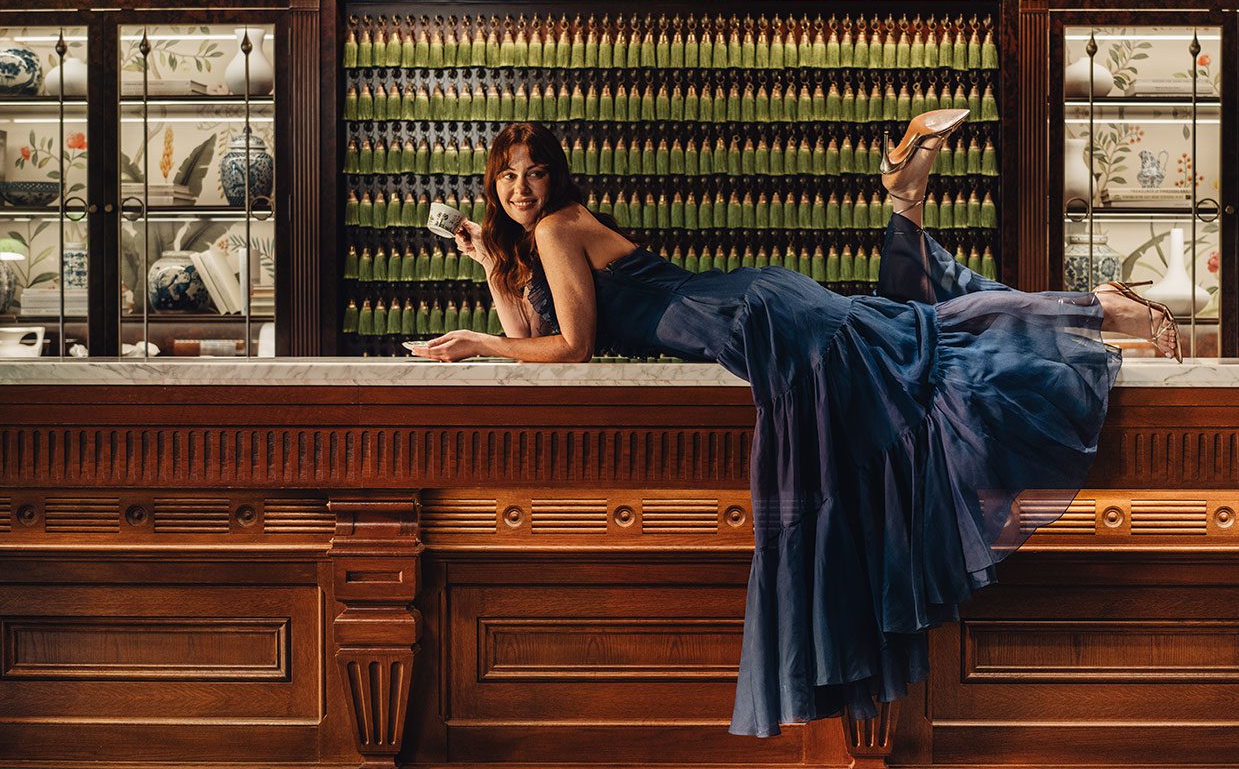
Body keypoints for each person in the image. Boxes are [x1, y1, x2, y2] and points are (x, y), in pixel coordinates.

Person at [414, 115, 1180, 737]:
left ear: (556, 177)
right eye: (507, 174)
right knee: (914, 337)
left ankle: (1090, 307)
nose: (520, 187)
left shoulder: (558, 227)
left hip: (753, 316)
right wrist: (487, 269)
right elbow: (533, 338)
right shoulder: (538, 240)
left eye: (533, 170)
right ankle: (1044, 280)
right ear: (492, 183)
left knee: (917, 342)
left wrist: (476, 340)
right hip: (752, 313)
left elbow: (568, 351)